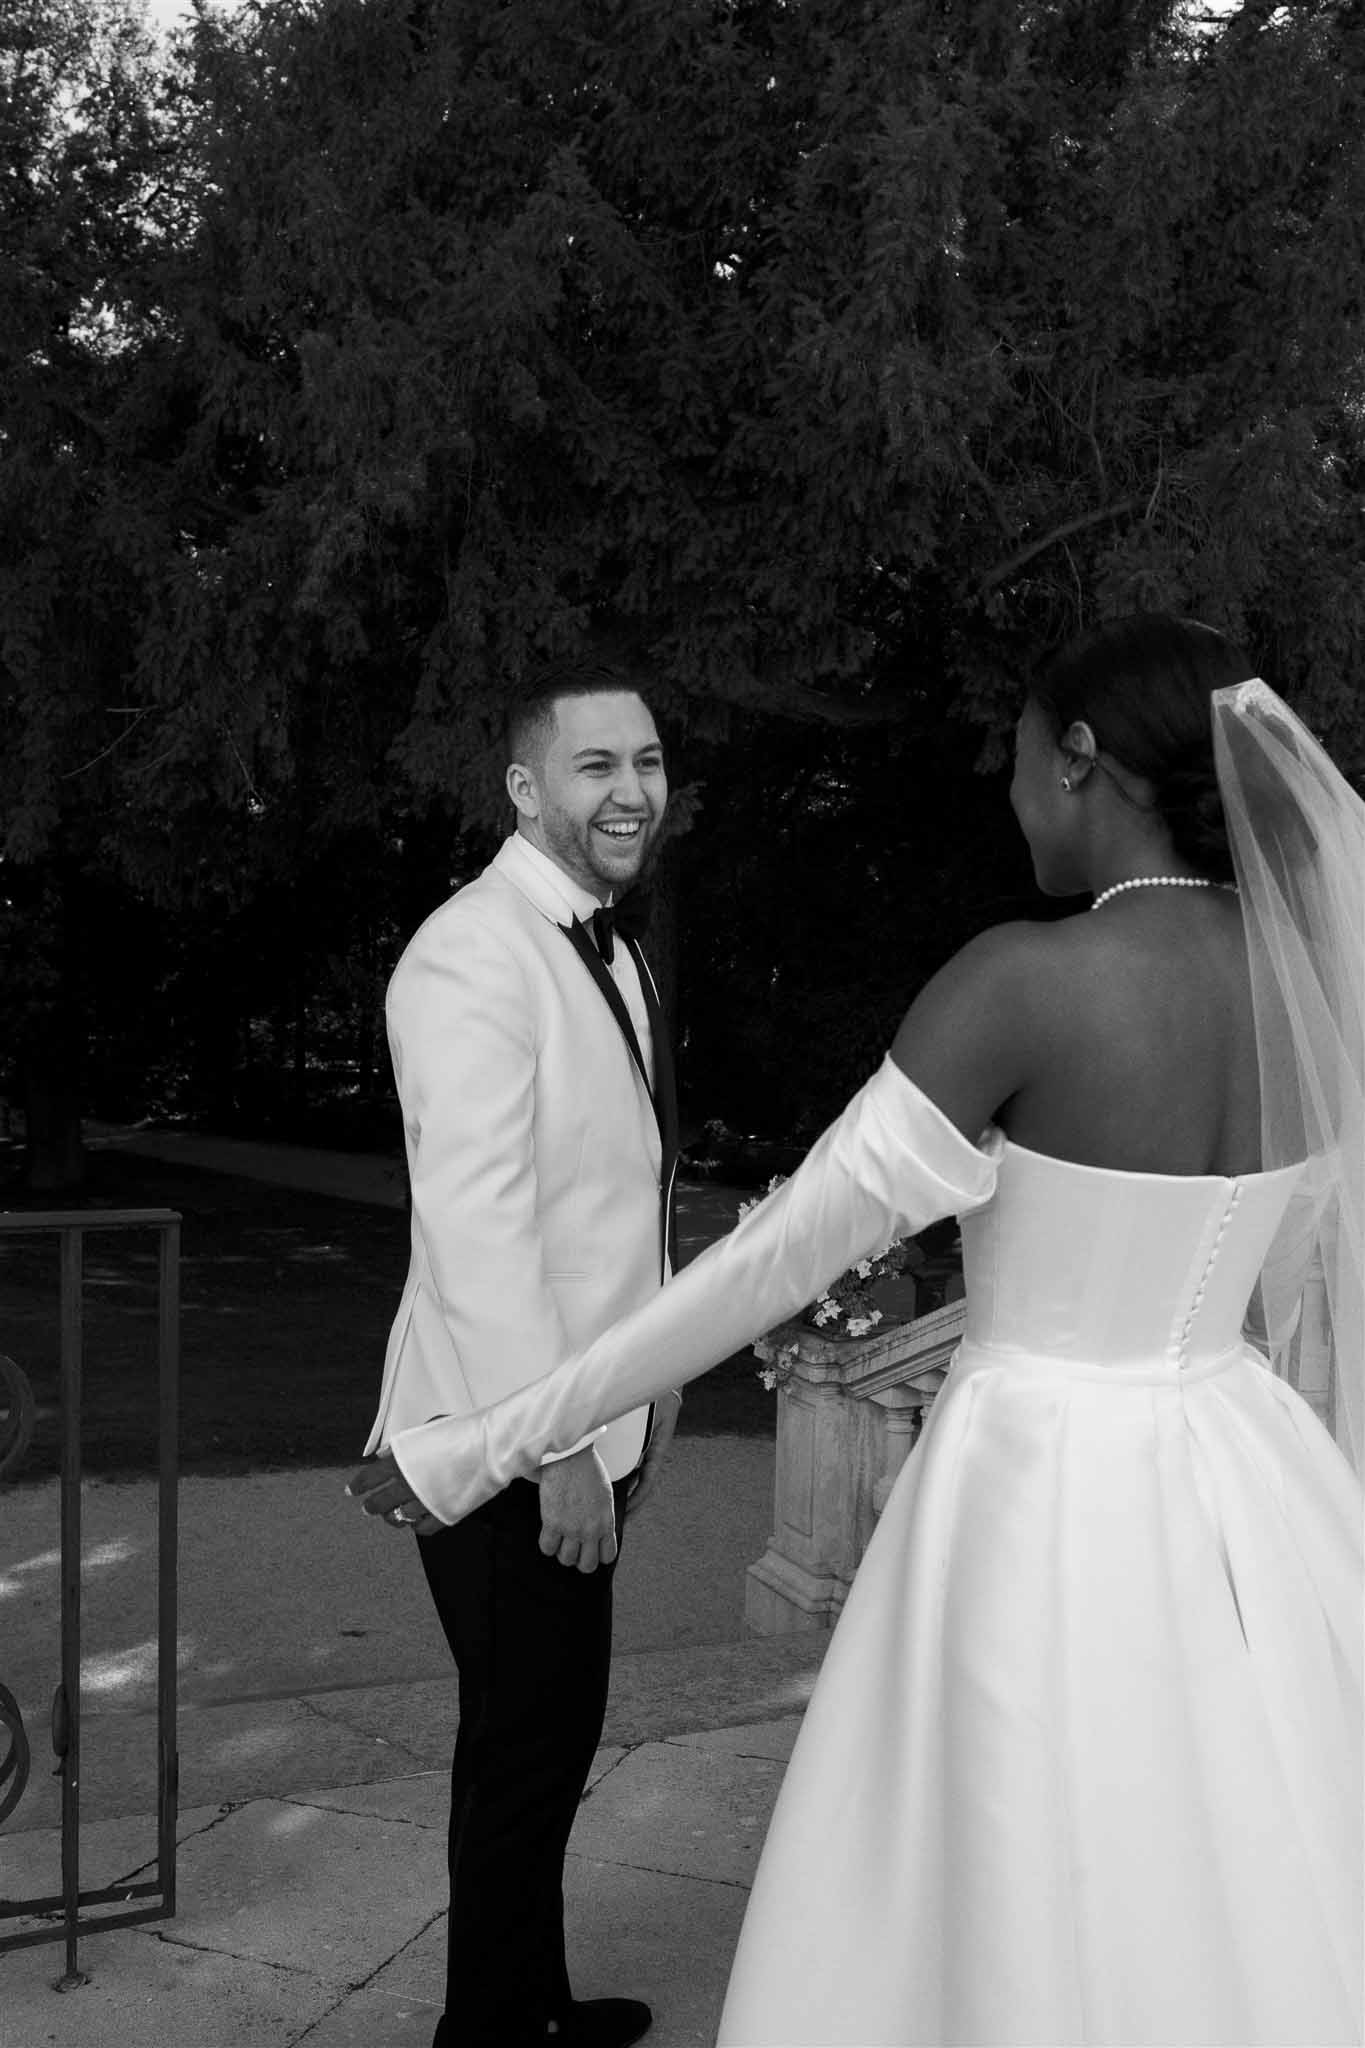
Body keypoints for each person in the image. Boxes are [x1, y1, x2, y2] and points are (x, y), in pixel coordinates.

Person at [353, 615, 1364, 2047]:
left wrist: (489, 1442)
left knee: (1011, 1829)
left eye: (1018, 762)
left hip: (1038, 1480)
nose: (1011, 799)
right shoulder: (1306, 979)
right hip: (1238, 1466)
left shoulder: (1023, 980)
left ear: (1079, 761)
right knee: (1233, 1809)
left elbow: (769, 1264)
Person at [350, 663, 682, 2048]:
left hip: (587, 1431)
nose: (630, 792)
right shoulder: (471, 952)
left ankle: (524, 2005)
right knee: (525, 1752)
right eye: (595, 766)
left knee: (535, 1746)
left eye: (648, 763)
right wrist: (555, 1452)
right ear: (525, 789)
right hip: (508, 1445)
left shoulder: (605, 941)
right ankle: (484, 2035)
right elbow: (480, 1237)